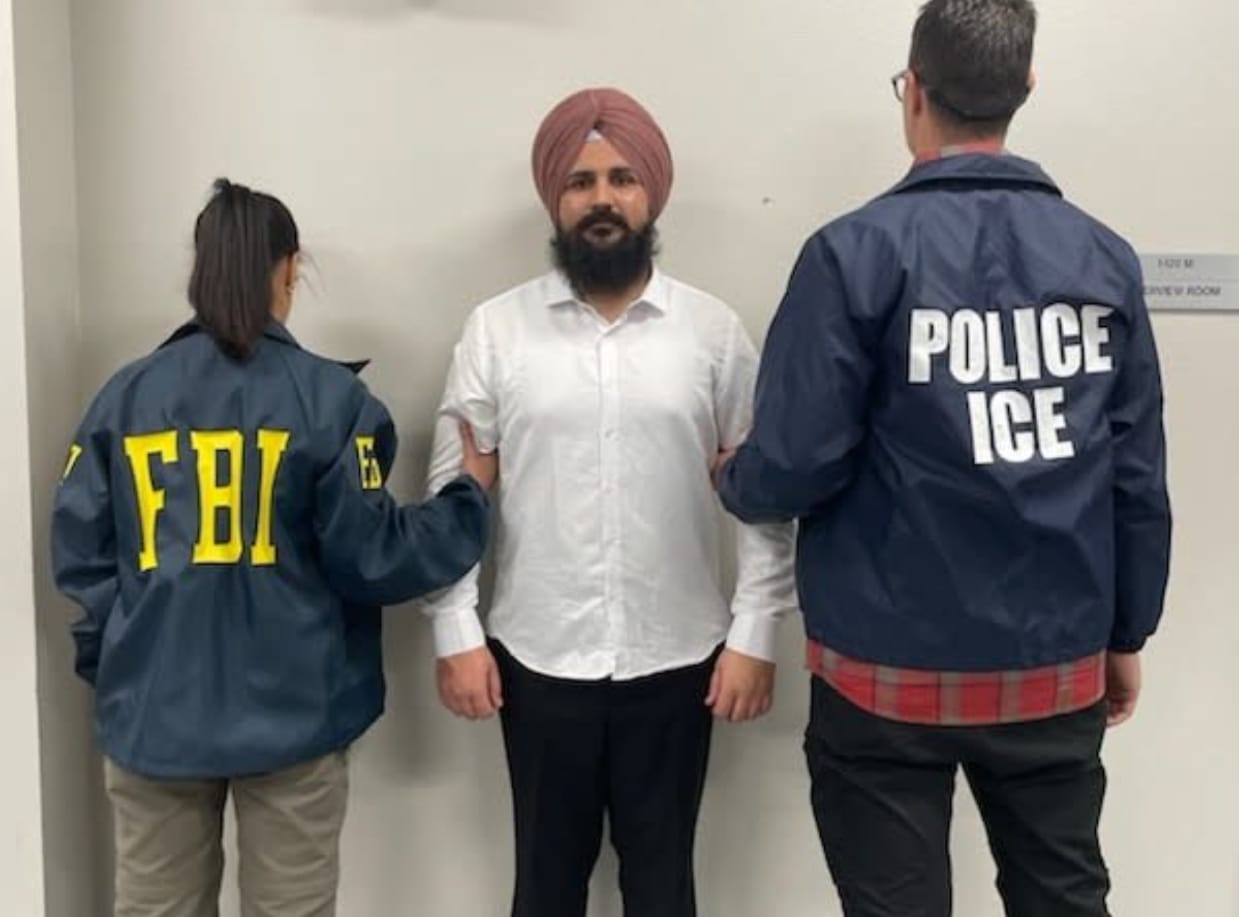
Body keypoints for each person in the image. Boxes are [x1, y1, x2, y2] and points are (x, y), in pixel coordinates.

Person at [716, 3, 1172, 915]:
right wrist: (1126, 632)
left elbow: (797, 463)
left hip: (885, 671)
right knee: (1063, 896)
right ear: (1024, 89)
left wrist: (733, 474)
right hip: (1053, 657)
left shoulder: (849, 254)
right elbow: (1133, 475)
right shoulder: (1103, 259)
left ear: (913, 92)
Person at [51, 178, 495, 917]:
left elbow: (81, 556)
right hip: (297, 717)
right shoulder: (330, 402)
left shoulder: (123, 399)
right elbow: (373, 556)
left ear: (201, 269)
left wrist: (121, 657)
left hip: (153, 714)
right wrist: (467, 499)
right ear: (289, 269)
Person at [422, 88, 796, 917]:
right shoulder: (496, 330)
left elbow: (762, 498)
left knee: (663, 891)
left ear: (650, 193)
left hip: (679, 659)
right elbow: (454, 492)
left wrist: (755, 633)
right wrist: (454, 628)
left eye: (622, 178)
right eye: (580, 181)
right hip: (536, 660)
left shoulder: (711, 333)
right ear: (553, 199)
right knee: (543, 890)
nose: (602, 198)